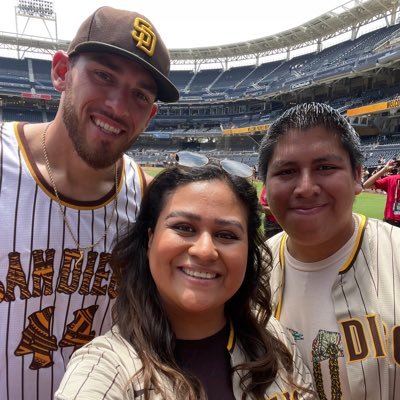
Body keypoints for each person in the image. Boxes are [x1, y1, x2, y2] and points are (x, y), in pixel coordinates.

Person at [0, 6, 179, 400]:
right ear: (62, 72)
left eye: (139, 95)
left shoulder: (147, 199)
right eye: (103, 76)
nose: (117, 107)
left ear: (149, 115)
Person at [55, 164, 315, 399]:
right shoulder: (105, 367)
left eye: (226, 235)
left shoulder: (274, 338)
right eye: (184, 228)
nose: (204, 250)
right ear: (150, 239)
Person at [257, 102, 400, 399]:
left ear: (358, 176)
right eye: (286, 171)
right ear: (266, 186)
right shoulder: (249, 273)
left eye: (325, 167)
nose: (306, 188)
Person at [363, 158, 400, 227]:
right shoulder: (391, 179)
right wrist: (384, 170)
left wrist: (384, 169)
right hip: (390, 222)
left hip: (389, 222)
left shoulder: (391, 179)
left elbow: (365, 185)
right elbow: (365, 185)